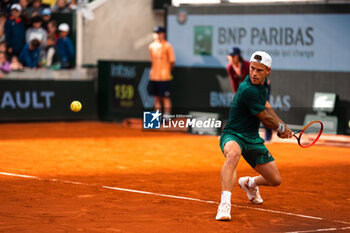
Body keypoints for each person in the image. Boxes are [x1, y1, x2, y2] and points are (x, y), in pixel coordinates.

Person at [215, 51, 293, 221]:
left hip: (252, 139)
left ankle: (249, 183)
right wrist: (281, 129)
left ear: (268, 71)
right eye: (252, 69)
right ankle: (225, 205)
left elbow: (267, 107)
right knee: (233, 154)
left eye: (259, 70)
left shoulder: (262, 87)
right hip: (233, 135)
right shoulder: (248, 88)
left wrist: (283, 125)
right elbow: (264, 117)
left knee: (275, 180)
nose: (254, 73)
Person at [148, 26, 176, 116]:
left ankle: (167, 117)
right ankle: (156, 118)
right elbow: (152, 60)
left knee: (165, 98)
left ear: (163, 34)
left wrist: (167, 70)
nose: (157, 35)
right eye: (156, 33)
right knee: (156, 98)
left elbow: (172, 61)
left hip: (164, 77)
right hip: (154, 77)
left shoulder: (168, 46)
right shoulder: (151, 46)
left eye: (159, 33)